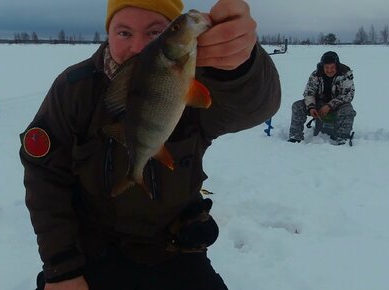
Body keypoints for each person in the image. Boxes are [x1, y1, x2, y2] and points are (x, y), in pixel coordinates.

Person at [20, 0, 281, 289]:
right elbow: (44, 178)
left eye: (155, 32)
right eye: (124, 33)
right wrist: (62, 269)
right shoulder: (73, 89)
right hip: (91, 252)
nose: (138, 46)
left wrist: (238, 66)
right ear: (108, 33)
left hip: (173, 250)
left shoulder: (191, 82)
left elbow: (255, 106)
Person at [288, 51, 356, 144]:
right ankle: (295, 136)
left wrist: (329, 106)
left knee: (348, 110)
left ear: (337, 65)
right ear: (322, 66)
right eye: (326, 67)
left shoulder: (345, 74)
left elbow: (348, 95)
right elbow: (309, 92)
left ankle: (343, 138)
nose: (329, 70)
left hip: (338, 105)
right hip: (319, 103)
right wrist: (311, 107)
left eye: (332, 67)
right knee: (297, 106)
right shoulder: (316, 74)